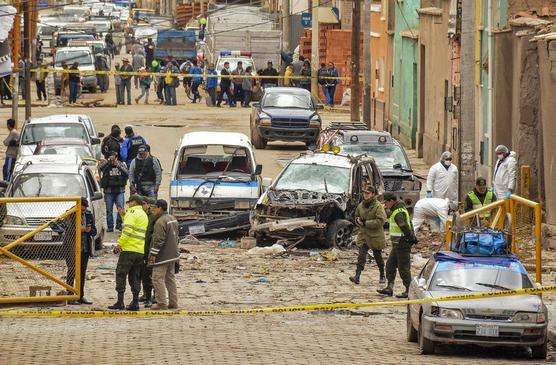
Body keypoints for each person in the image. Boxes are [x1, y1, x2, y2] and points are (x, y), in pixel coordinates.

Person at [108, 195, 149, 311]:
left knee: (121, 274)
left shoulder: (132, 212)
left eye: (129, 202)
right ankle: (135, 302)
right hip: (139, 251)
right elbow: (135, 227)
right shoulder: (143, 215)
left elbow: (127, 230)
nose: (128, 205)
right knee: (135, 277)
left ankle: (120, 302)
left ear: (134, 202)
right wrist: (123, 216)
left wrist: (119, 244)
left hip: (128, 250)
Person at [377, 193, 418, 298]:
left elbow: (404, 226)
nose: (385, 205)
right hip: (397, 244)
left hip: (402, 243)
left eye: (386, 202)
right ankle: (389, 288)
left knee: (403, 268)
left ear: (391, 201)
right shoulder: (397, 210)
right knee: (390, 265)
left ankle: (409, 290)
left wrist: (411, 238)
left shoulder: (398, 212)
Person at [350, 185, 387, 285]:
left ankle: (382, 275)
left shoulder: (378, 206)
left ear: (373, 194)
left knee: (377, 256)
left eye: (368, 193)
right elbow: (356, 215)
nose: (365, 195)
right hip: (363, 235)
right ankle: (357, 276)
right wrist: (357, 220)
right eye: (364, 193)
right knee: (361, 256)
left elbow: (381, 221)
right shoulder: (361, 205)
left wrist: (366, 223)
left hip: (375, 235)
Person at [148, 199, 180, 310]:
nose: (152, 210)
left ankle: (161, 303)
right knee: (170, 279)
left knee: (157, 278)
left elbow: (158, 240)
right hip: (173, 255)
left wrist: (153, 254)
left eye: (154, 207)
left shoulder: (160, 222)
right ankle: (173, 302)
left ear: (160, 208)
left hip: (163, 256)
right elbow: (177, 238)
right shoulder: (172, 219)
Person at [66, 197, 96, 305]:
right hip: (72, 248)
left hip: (85, 248)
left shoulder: (88, 214)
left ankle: (80, 295)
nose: (83, 212)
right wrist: (79, 229)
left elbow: (94, 231)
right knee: (72, 271)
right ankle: (69, 296)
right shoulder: (70, 213)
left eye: (84, 210)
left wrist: (88, 230)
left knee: (82, 273)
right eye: (81, 210)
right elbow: (67, 229)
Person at [100, 152, 128, 232]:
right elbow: (100, 169)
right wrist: (108, 162)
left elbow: (127, 174)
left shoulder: (121, 164)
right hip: (108, 191)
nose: (112, 160)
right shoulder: (106, 164)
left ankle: (119, 225)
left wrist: (118, 166)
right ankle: (110, 227)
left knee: (121, 208)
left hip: (120, 190)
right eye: (111, 158)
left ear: (116, 158)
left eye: (114, 158)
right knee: (109, 210)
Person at [140, 196, 157, 308]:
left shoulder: (154, 217)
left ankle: (153, 296)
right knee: (143, 274)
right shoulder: (143, 215)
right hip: (142, 249)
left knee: (151, 275)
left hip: (150, 249)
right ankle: (146, 294)